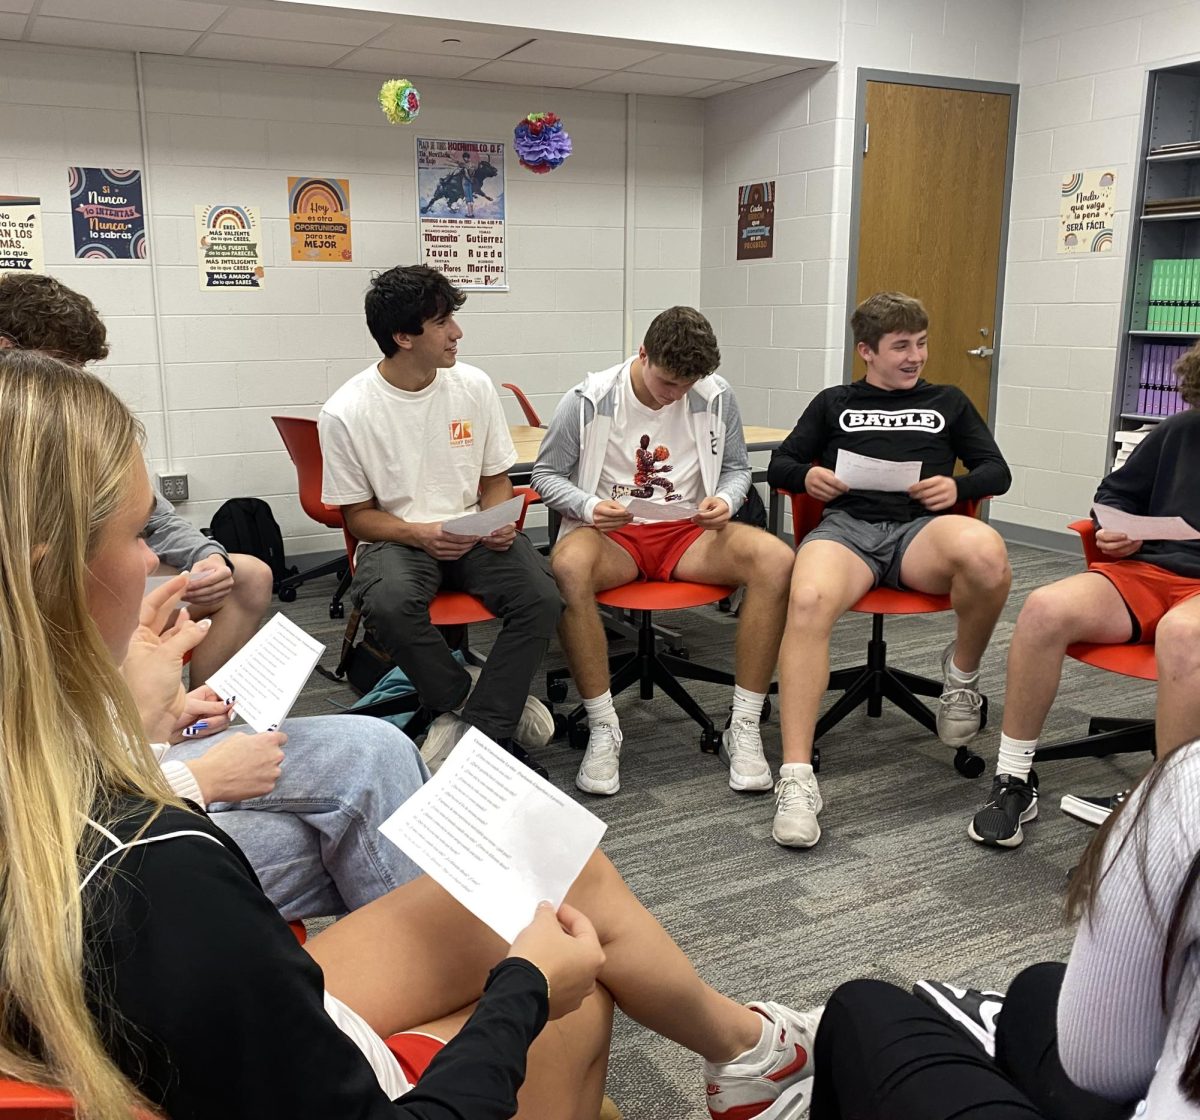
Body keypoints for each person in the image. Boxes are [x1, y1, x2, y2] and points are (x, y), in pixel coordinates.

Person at [0, 347, 821, 1120]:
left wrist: (127, 722)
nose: (157, 562)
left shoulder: (60, 808)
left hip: (121, 1022)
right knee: (578, 966)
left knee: (544, 856)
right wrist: (522, 989)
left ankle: (749, 1051)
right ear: (49, 570)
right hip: (203, 1053)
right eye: (142, 534)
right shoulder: (159, 867)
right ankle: (752, 1056)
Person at [0, 274, 428, 920]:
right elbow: (41, 821)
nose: (148, 556)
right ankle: (447, 983)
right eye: (66, 371)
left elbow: (52, 743)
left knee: (377, 763)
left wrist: (148, 716)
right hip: (70, 870)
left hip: (108, 769)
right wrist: (191, 777)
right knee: (362, 807)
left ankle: (433, 980)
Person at [808, 737, 1200, 1120]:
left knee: (859, 1008)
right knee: (1036, 989)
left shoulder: (1188, 783)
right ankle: (992, 1045)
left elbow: (1101, 1070)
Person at [767, 292, 1012, 849]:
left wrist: (959, 485)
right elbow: (782, 461)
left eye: (921, 344)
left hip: (920, 533)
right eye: (901, 346)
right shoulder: (835, 402)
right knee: (805, 601)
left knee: (989, 554)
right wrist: (807, 477)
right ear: (866, 351)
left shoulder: (948, 401)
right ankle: (798, 778)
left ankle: (962, 678)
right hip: (847, 531)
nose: (915, 356)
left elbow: (997, 471)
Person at [531, 306, 795, 796]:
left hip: (689, 532)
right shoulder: (588, 399)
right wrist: (588, 506)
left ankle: (744, 724)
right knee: (566, 567)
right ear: (643, 354)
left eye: (687, 384)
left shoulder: (715, 396)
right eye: (668, 382)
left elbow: (737, 468)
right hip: (616, 534)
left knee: (777, 558)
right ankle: (604, 725)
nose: (675, 395)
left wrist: (728, 499)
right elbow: (545, 476)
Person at [320, 265, 559, 778]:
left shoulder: (472, 385)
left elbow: (496, 479)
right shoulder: (346, 411)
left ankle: (477, 729)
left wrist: (501, 520)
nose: (457, 333)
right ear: (403, 337)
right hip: (399, 537)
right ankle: (467, 699)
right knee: (386, 601)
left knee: (541, 596)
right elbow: (360, 519)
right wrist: (418, 533)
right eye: (443, 322)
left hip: (473, 530)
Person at [968, 344, 1200, 848]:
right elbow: (1115, 496)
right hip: (1151, 572)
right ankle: (1013, 780)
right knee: (1044, 608)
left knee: (1183, 634)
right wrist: (1117, 529)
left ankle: (1164, 805)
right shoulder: (1180, 430)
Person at [0, 271, 273, 685]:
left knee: (246, 576)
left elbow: (153, 517)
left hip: (83, 574)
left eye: (80, 369)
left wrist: (206, 556)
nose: (77, 383)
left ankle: (194, 720)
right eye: (63, 365)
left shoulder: (79, 426)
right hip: (35, 591)